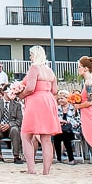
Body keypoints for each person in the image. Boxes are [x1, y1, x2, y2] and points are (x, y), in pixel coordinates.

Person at [19, 46, 60, 175]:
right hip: (48, 101)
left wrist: (21, 95)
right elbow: (55, 91)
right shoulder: (50, 71)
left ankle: (31, 169)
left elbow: (30, 88)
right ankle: (46, 171)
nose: (30, 57)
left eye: (31, 54)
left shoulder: (34, 68)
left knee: (26, 135)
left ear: (35, 55)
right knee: (46, 139)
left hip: (36, 101)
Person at [0, 84, 24, 163]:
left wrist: (9, 125)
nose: (13, 94)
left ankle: (16, 156)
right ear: (5, 92)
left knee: (15, 129)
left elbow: (19, 120)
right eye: (11, 92)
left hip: (11, 127)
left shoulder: (17, 105)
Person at [52, 91, 78, 163]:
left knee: (66, 136)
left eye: (62, 98)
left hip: (72, 130)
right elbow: (54, 118)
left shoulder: (74, 108)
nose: (60, 100)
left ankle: (71, 158)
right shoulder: (57, 108)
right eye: (59, 99)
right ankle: (58, 158)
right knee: (57, 137)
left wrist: (68, 122)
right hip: (60, 129)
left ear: (67, 98)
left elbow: (78, 120)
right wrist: (60, 122)